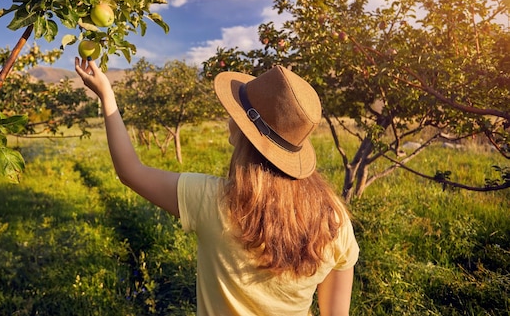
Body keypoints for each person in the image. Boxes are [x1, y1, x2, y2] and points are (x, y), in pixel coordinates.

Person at [75, 58, 359, 316]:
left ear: (244, 132)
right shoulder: (335, 219)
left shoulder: (214, 201)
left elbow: (131, 172)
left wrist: (107, 96)